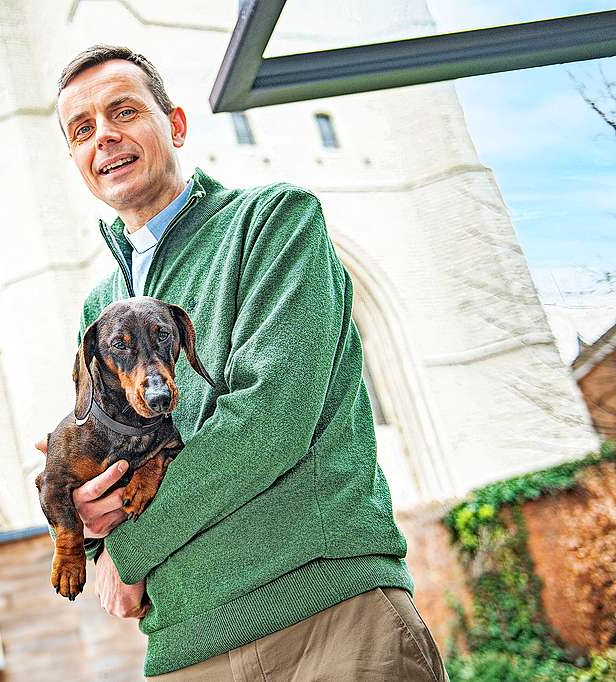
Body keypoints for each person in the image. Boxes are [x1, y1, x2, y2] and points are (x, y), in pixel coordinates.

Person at [36, 44, 449, 681]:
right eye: (82, 129)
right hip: (185, 649)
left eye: (124, 111)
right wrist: (88, 520)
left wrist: (132, 549)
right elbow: (109, 456)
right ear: (75, 159)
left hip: (327, 617)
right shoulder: (99, 307)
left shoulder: (274, 222)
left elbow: (268, 423)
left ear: (174, 124)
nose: (105, 136)